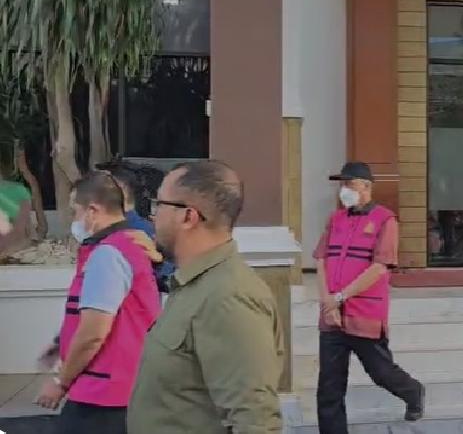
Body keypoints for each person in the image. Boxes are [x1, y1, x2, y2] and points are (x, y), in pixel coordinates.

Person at [128, 160, 284, 434]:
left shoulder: (229, 297)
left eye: (159, 205)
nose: (153, 216)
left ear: (188, 216)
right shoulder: (193, 284)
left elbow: (255, 420)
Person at [34, 171, 160, 434]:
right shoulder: (126, 245)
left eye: (75, 211)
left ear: (92, 211)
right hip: (122, 386)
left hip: (104, 393)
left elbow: (93, 333)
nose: (74, 220)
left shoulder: (108, 254)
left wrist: (60, 382)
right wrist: (61, 342)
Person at [315, 161, 425, 434]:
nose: (344, 190)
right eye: (342, 185)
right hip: (332, 315)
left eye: (349, 184)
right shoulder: (335, 219)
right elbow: (320, 259)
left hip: (364, 313)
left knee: (381, 372)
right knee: (329, 386)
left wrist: (341, 297)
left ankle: (412, 391)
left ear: (366, 186)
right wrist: (327, 301)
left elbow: (379, 267)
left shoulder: (385, 220)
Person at [104, 167, 175, 292]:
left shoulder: (142, 232)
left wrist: (159, 263)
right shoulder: (105, 229)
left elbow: (170, 276)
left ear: (121, 191)